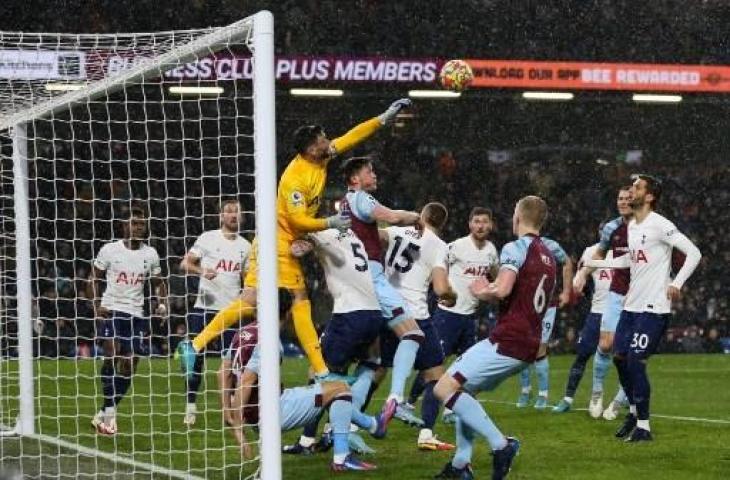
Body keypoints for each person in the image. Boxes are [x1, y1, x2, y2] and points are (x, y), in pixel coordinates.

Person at [177, 98, 412, 379]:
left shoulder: (321, 158)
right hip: (278, 243)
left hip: (272, 241)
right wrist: (329, 222)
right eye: (324, 138)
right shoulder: (294, 179)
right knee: (298, 299)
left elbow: (351, 137)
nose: (329, 141)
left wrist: (383, 117)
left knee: (252, 300)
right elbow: (296, 220)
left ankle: (194, 345)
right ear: (313, 148)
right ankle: (323, 372)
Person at [432, 196, 557, 480]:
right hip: (528, 342)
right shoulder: (548, 255)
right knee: (464, 392)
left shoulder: (516, 247)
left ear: (519, 216)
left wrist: (480, 290)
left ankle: (502, 445)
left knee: (444, 389)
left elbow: (501, 291)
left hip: (508, 339)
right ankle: (460, 465)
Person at [584, 174, 701, 442]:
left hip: (654, 307)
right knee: (620, 358)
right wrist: (597, 264)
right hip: (631, 306)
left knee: (636, 362)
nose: (631, 191)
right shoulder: (633, 227)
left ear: (649, 196)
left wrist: (678, 283)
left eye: (637, 188)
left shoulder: (660, 225)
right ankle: (635, 414)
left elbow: (694, 252)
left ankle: (644, 428)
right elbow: (630, 259)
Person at [283, 227, 390, 455]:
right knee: (370, 366)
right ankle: (337, 430)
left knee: (320, 374)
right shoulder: (354, 235)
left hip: (349, 314)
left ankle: (322, 437)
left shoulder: (323, 233)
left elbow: (297, 249)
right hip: (373, 312)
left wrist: (294, 241)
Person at [225, 325, 387, 471]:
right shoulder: (268, 339)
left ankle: (372, 426)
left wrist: (228, 412)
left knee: (332, 390)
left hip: (266, 409)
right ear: (288, 313)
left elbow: (223, 374)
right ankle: (343, 456)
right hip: (274, 412)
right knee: (341, 389)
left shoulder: (243, 333)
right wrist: (239, 432)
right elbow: (246, 382)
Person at [339, 156, 425, 426]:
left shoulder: (344, 204)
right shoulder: (361, 198)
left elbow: (371, 233)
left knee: (372, 358)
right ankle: (396, 399)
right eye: (369, 171)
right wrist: (415, 217)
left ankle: (344, 426)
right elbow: (392, 216)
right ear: (355, 179)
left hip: (351, 282)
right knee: (412, 334)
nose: (374, 175)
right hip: (372, 279)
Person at [406, 207, 498, 422]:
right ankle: (409, 402)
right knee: (434, 363)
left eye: (485, 221)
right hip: (448, 315)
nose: (481, 225)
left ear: (491, 225)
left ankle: (451, 407)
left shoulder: (492, 251)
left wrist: (491, 289)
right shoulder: (456, 247)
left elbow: (496, 275)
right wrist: (440, 288)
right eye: (477, 221)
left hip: (470, 318)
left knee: (465, 366)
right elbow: (436, 266)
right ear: (470, 224)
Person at [379, 202, 458, 451]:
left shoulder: (396, 232)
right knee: (435, 373)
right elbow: (441, 289)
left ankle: (345, 428)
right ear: (442, 224)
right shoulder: (439, 246)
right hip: (415, 316)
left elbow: (375, 235)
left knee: (374, 370)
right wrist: (452, 296)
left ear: (421, 215)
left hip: (385, 310)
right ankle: (426, 433)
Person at [89, 206, 168, 435]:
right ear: (124, 226)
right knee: (112, 355)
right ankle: (110, 416)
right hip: (111, 309)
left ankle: (103, 411)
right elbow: (93, 278)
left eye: (142, 224)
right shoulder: (109, 250)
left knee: (129, 365)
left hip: (136, 314)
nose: (138, 227)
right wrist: (96, 306)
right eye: (134, 223)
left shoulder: (150, 254)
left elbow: (158, 283)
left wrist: (162, 303)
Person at [178, 198, 251, 426]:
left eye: (236, 212)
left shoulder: (246, 247)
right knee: (196, 360)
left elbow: (247, 279)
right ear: (221, 216)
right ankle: (191, 406)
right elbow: (184, 264)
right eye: (228, 211)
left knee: (230, 362)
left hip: (231, 310)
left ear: (241, 217)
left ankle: (228, 411)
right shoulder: (208, 238)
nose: (232, 215)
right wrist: (202, 270)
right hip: (204, 308)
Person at [572, 186, 633, 417]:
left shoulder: (647, 227)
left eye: (628, 198)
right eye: (620, 198)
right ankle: (596, 393)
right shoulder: (611, 228)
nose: (624, 202)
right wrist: (582, 274)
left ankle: (618, 402)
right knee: (606, 345)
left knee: (629, 353)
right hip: (617, 292)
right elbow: (598, 255)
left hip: (640, 295)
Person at [552, 239, 613, 414]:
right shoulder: (591, 251)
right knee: (582, 355)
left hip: (622, 312)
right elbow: (580, 282)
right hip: (598, 312)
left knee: (624, 358)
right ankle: (567, 398)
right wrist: (580, 282)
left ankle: (624, 398)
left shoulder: (627, 249)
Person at [516, 237, 573, 409]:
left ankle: (543, 395)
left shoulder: (550, 245)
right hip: (524, 305)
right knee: (521, 348)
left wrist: (566, 291)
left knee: (540, 347)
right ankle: (525, 391)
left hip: (547, 305)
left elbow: (567, 262)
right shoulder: (517, 246)